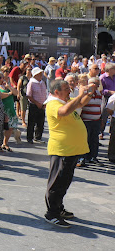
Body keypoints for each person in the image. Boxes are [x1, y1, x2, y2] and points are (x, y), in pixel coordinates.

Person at [44, 79, 95, 227]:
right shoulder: (53, 104)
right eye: (66, 88)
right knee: (57, 183)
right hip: (62, 150)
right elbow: (65, 111)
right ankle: (51, 213)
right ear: (56, 92)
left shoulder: (64, 101)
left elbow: (80, 103)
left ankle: (58, 208)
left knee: (64, 182)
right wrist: (80, 95)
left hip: (71, 150)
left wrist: (90, 92)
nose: (69, 90)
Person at [76, 77, 103, 167]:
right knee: (85, 140)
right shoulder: (84, 93)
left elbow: (100, 106)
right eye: (96, 84)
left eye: (98, 84)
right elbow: (81, 105)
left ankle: (93, 157)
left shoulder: (99, 93)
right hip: (86, 120)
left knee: (94, 140)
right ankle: (82, 158)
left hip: (96, 120)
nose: (97, 86)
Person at [26, 67, 48, 143]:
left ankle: (38, 137)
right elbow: (29, 95)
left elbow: (45, 93)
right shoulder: (31, 82)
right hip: (34, 105)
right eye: (39, 74)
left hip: (42, 105)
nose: (41, 75)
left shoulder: (42, 82)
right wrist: (37, 103)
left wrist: (44, 103)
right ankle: (29, 138)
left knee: (40, 122)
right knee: (31, 122)